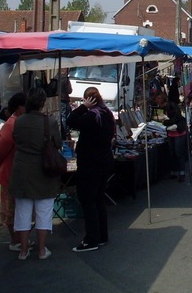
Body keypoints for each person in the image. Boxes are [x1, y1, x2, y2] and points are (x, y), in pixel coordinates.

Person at [7, 88, 61, 260]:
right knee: (43, 212)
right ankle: (42, 249)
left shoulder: (19, 121)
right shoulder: (49, 122)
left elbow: (16, 140)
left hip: (22, 169)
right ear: (43, 103)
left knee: (22, 212)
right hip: (43, 170)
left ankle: (23, 250)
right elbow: (58, 143)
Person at [66, 86, 115, 253]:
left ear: (88, 100)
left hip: (90, 163)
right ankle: (102, 236)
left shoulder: (91, 115)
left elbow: (70, 121)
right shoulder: (107, 113)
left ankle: (91, 239)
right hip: (104, 160)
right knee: (99, 199)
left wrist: (82, 107)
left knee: (88, 201)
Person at [0, 92, 27, 251]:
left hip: (19, 171)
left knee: (21, 208)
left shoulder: (21, 121)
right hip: (10, 171)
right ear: (19, 107)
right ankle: (15, 240)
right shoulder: (11, 123)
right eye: (25, 105)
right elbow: (0, 150)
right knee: (10, 208)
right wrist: (1, 164)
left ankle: (21, 239)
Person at [157, 93, 189, 182]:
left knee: (179, 153)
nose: (158, 104)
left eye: (159, 102)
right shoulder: (161, 108)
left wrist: (166, 122)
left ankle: (181, 172)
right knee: (172, 152)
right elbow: (160, 119)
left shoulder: (172, 106)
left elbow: (175, 119)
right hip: (171, 132)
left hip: (178, 132)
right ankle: (174, 171)